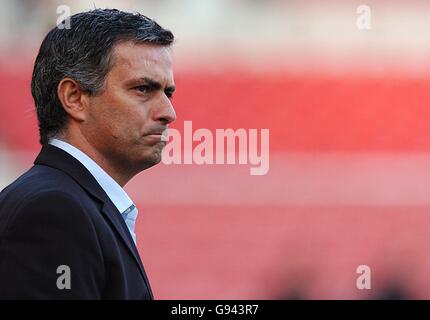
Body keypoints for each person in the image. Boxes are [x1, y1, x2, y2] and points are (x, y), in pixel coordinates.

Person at [0, 8, 176, 299]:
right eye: (143, 88)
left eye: (167, 93)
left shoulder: (72, 203)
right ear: (74, 98)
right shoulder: (54, 210)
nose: (168, 113)